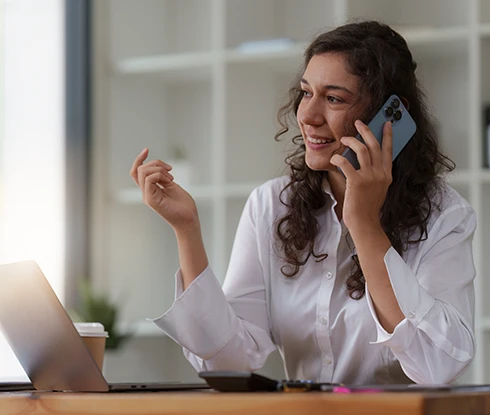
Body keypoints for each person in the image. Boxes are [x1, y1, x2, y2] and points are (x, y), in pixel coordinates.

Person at [130, 20, 476, 385]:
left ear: (391, 115)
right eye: (306, 92)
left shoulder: (445, 216)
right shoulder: (271, 205)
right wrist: (187, 231)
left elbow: (439, 365)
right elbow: (226, 362)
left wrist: (364, 224)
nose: (308, 117)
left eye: (333, 98)